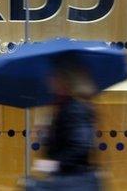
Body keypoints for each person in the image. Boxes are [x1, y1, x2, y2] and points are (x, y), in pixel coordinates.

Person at [27, 55, 102, 191]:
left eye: (54, 78)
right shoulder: (62, 107)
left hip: (74, 181)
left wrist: (53, 164)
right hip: (65, 179)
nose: (50, 82)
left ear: (65, 82)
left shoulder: (76, 108)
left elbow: (80, 145)